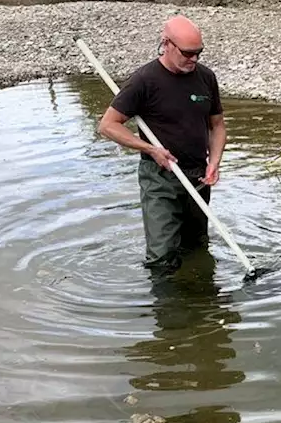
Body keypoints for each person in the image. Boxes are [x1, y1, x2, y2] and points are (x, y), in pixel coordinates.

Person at [97, 16, 226, 281]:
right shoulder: (144, 80)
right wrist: (150, 148)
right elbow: (108, 125)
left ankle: (200, 299)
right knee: (161, 256)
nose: (194, 59)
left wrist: (215, 161)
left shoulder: (205, 78)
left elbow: (218, 125)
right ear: (166, 44)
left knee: (197, 245)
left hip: (198, 176)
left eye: (199, 53)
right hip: (160, 178)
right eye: (188, 53)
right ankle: (168, 312)